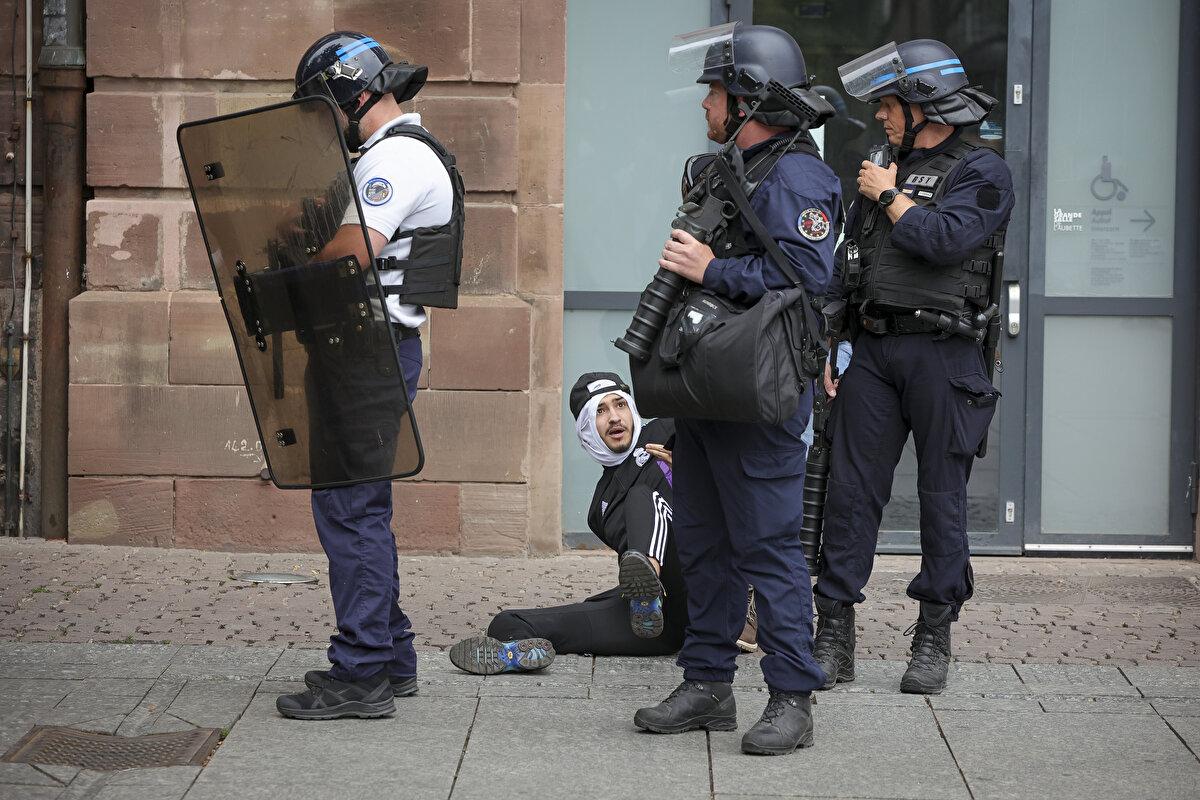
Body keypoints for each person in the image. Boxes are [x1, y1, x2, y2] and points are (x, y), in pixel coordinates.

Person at [633, 23, 841, 756]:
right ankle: (707, 686)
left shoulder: (799, 177)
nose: (705, 105)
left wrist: (710, 270)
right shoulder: (735, 167)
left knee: (770, 548)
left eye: (715, 93)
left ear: (748, 98)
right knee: (704, 542)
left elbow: (808, 278)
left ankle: (792, 697)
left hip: (760, 391)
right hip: (710, 384)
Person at [811, 39, 1012, 695]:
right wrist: (832, 342)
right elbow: (851, 263)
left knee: (941, 499)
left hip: (944, 353)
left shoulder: (981, 170)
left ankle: (933, 636)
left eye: (889, 105)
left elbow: (946, 240)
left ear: (926, 105)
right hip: (873, 348)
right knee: (849, 493)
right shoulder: (883, 168)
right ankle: (833, 636)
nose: (880, 116)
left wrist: (892, 194)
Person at [275, 31, 458, 720]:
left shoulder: (397, 158)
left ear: (348, 98)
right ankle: (391, 657)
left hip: (365, 353)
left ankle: (360, 674)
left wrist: (285, 274)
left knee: (352, 514)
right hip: (367, 351)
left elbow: (349, 255)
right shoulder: (396, 153)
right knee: (362, 511)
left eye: (321, 108)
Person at [449, 372, 688, 674]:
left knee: (643, 496)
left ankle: (647, 593)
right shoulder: (601, 508)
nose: (614, 417)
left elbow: (733, 477)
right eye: (600, 411)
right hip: (663, 623)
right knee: (507, 621)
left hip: (707, 582)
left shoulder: (670, 430)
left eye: (620, 405)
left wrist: (695, 470)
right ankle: (514, 651)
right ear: (586, 427)